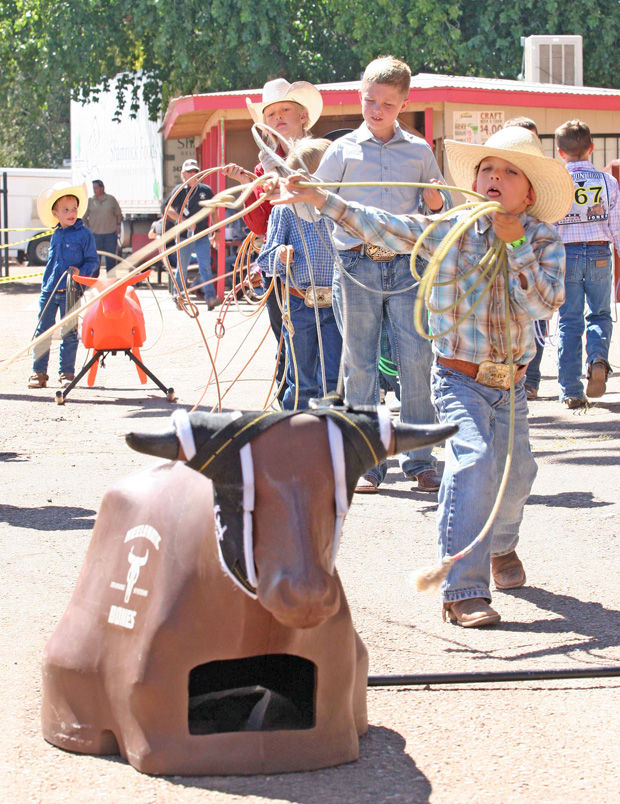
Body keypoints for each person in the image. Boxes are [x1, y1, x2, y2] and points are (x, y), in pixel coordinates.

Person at [273, 125, 573, 627]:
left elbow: (544, 303)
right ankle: (463, 589)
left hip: (512, 385)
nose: (494, 177)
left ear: (531, 193)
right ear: (475, 181)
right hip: (458, 377)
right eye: (486, 170)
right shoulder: (450, 229)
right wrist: (322, 198)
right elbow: (384, 225)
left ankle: (499, 546)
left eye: (509, 171)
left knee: (518, 475)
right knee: (472, 461)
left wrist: (516, 245)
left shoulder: (544, 241)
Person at [312, 55, 447, 494]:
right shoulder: (340, 150)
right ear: (360, 96)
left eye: (387, 104)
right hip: (355, 266)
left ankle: (420, 461)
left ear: (403, 103)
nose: (376, 110)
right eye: (370, 100)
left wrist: (435, 202)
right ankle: (367, 462)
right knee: (360, 365)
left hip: (408, 266)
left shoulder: (420, 151)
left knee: (417, 361)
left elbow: (439, 208)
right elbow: (314, 202)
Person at [222, 78, 323, 403]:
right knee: (287, 337)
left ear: (303, 116)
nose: (278, 117)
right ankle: (289, 399)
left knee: (331, 338)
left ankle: (323, 400)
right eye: (271, 113)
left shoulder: (324, 156)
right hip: (284, 265)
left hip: (324, 264)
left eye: (285, 110)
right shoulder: (261, 168)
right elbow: (259, 224)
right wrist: (253, 186)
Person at [256, 138, 341, 410]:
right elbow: (266, 260)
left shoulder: (339, 210)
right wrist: (280, 255)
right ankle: (297, 429)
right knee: (301, 376)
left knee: (332, 376)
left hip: (337, 303)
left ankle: (328, 432)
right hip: (299, 303)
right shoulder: (284, 210)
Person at [554, 119, 620, 408]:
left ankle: (570, 389)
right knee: (600, 314)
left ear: (559, 152)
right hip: (599, 255)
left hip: (566, 255)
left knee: (569, 320)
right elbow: (616, 225)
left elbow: (548, 224)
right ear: (591, 148)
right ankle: (597, 359)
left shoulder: (556, 184)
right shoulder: (608, 182)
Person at [28, 182, 99, 388]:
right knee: (43, 332)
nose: (71, 213)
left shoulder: (85, 234)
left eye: (74, 209)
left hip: (71, 291)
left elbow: (92, 261)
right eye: (65, 210)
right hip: (50, 290)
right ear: (55, 213)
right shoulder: (56, 233)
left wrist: (80, 272)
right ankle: (38, 373)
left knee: (69, 333)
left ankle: (66, 373)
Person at [503, 118, 548, 401]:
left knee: (538, 316)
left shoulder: (544, 176)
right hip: (506, 254)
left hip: (537, 252)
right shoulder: (502, 174)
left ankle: (529, 379)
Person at [166, 158, 217, 309]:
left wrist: (217, 231)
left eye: (195, 171)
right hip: (183, 235)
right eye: (190, 171)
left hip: (201, 234)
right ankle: (178, 297)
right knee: (182, 268)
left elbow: (213, 211)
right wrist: (184, 220)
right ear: (184, 174)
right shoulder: (179, 191)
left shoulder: (205, 190)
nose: (193, 174)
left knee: (205, 266)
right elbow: (168, 210)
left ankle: (210, 298)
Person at [82, 180, 123, 273]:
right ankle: (94, 282)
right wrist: (87, 229)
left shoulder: (111, 199)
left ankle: (111, 281)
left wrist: (118, 225)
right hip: (95, 235)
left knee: (111, 259)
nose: (94, 190)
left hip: (110, 234)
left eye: (96, 188)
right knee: (95, 260)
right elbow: (84, 217)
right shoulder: (90, 201)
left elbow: (119, 214)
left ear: (102, 188)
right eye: (93, 188)